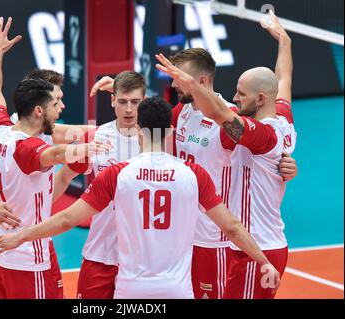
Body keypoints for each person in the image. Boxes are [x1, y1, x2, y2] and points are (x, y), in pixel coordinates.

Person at [0, 96, 280, 299]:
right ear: (170, 131)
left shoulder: (118, 174)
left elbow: (67, 219)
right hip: (177, 289)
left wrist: (20, 236)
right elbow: (231, 227)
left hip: (132, 291)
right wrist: (263, 260)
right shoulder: (194, 174)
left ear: (138, 131)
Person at [89, 17, 297, 298]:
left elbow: (238, 124)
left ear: (199, 81)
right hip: (184, 235)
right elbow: (283, 83)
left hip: (218, 240)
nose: (173, 84)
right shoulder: (184, 111)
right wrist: (121, 90)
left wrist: (282, 165)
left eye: (178, 79)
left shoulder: (229, 122)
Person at [155, 10, 296, 299]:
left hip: (252, 245)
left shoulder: (261, 134)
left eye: (241, 94)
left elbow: (220, 112)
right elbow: (284, 80)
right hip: (243, 242)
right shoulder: (282, 116)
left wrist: (191, 83)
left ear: (259, 99)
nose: (235, 98)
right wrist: (284, 41)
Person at [0, 17, 108, 299]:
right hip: (28, 260)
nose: (61, 107)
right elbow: (55, 153)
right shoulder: (27, 149)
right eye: (55, 103)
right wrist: (90, 147)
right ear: (38, 111)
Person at [67, 71, 145, 299]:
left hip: (139, 261)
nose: (129, 109)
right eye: (122, 101)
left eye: (135, 102)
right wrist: (38, 213)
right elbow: (64, 177)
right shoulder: (96, 137)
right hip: (99, 254)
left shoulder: (157, 140)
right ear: (112, 100)